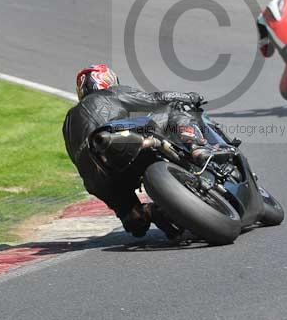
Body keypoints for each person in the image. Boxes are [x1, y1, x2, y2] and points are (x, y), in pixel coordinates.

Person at [62, 64, 205, 239]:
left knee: (136, 224)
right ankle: (195, 147)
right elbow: (155, 99)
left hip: (96, 178)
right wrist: (189, 97)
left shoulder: (67, 123)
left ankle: (149, 212)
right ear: (108, 81)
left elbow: (74, 158)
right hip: (120, 144)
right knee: (172, 110)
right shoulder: (110, 94)